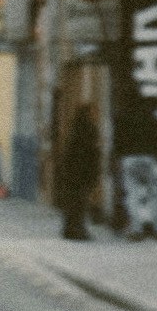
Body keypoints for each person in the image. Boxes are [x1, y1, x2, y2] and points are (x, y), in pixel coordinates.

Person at [56, 99, 102, 243]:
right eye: (93, 112)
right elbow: (92, 154)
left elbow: (68, 154)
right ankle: (77, 230)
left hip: (72, 173)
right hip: (82, 173)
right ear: (88, 114)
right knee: (80, 203)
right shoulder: (90, 130)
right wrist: (93, 174)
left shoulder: (74, 130)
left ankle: (70, 229)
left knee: (72, 203)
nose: (96, 115)